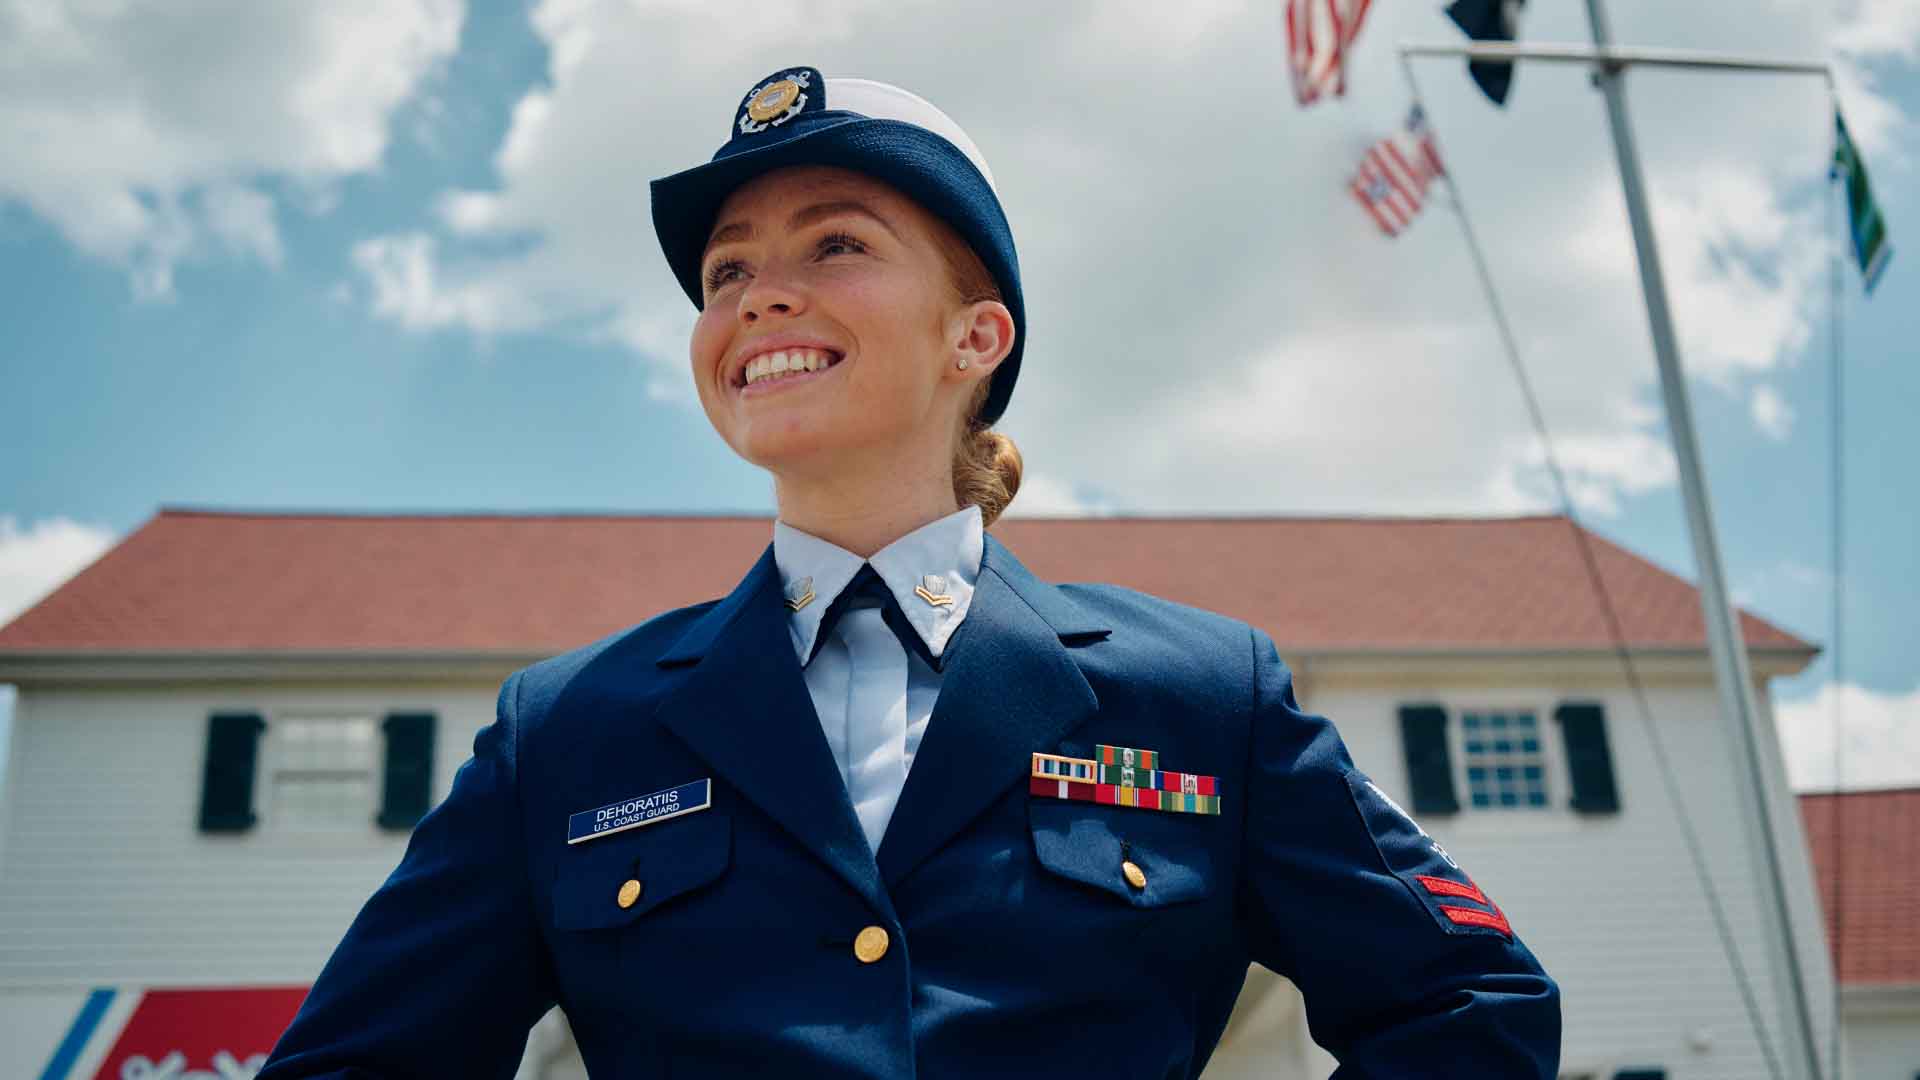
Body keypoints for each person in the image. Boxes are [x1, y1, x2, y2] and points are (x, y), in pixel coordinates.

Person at [257, 65, 1560, 1078]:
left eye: (835, 245)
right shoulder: (568, 732)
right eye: (727, 271)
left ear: (975, 335)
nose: (762, 295)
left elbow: (1474, 1005)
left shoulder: (1203, 697)